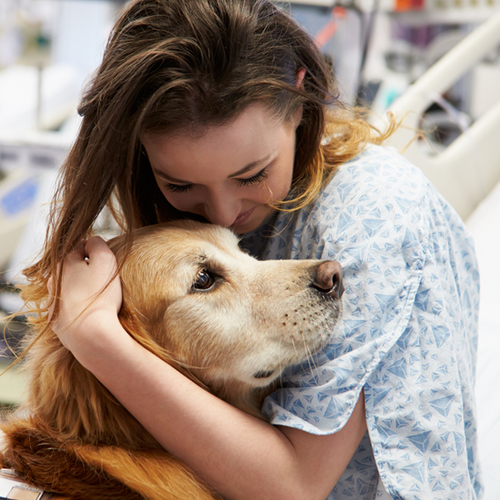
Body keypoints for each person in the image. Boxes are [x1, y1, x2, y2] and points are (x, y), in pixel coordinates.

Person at [24, 0, 482, 498]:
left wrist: (95, 340)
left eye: (252, 175)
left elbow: (295, 488)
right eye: (180, 184)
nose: (220, 214)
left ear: (302, 104)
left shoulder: (374, 216)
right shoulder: (160, 211)